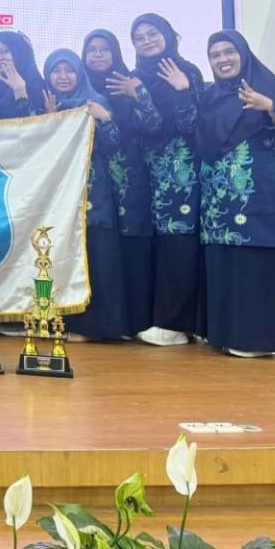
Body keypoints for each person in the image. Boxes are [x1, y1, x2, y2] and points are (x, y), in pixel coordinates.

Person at [195, 30, 275, 356]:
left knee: (254, 265)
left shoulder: (269, 88)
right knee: (225, 266)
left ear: (243, 53)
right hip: (218, 202)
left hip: (256, 196)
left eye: (228, 52)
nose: (222, 59)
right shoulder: (209, 96)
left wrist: (269, 106)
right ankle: (224, 334)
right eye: (215, 54)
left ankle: (257, 340)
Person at [129, 14, 204, 346]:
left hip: (181, 175)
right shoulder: (134, 79)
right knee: (160, 248)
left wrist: (182, 89)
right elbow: (147, 127)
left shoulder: (187, 71)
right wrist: (138, 93)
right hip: (149, 177)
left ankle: (175, 325)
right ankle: (174, 321)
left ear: (168, 35)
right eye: (139, 37)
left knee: (180, 245)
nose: (147, 41)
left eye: (152, 33)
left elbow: (188, 124)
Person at [82, 29, 163, 336]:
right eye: (92, 49)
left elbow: (154, 125)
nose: (98, 55)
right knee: (101, 254)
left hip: (131, 178)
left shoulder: (129, 83)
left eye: (104, 49)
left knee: (132, 249)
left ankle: (136, 322)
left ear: (115, 53)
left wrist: (137, 93)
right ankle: (106, 322)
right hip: (95, 188)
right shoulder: (78, 88)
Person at [43, 50, 127, 339]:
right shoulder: (46, 105)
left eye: (69, 70)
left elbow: (114, 146)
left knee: (97, 258)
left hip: (94, 194)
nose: (63, 77)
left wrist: (106, 119)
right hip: (59, 198)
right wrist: (49, 122)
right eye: (56, 71)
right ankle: (65, 324)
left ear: (79, 74)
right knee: (62, 260)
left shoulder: (96, 102)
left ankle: (99, 328)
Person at [0, 31, 49, 119]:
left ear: (19, 52)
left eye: (5, 51)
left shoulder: (38, 87)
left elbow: (33, 126)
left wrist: (20, 93)